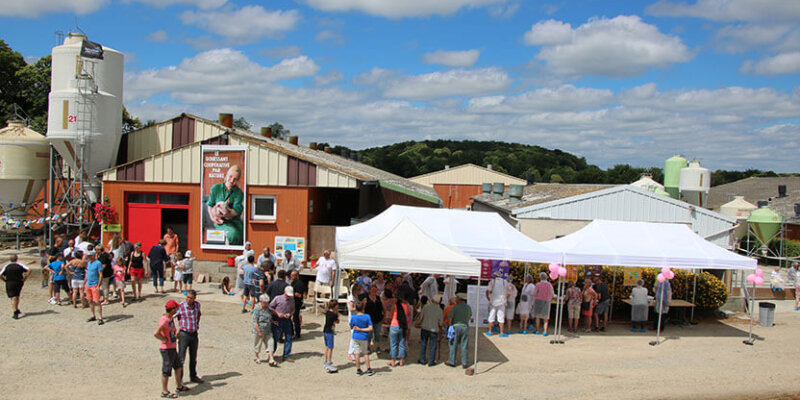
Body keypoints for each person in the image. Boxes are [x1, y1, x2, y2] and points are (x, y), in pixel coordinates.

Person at [154, 299, 189, 398]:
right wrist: (163, 339)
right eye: (176, 308)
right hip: (167, 349)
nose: (177, 309)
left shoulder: (170, 318)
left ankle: (179, 385)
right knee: (166, 370)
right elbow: (156, 332)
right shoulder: (164, 319)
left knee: (178, 366)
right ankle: (165, 391)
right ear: (172, 309)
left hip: (172, 347)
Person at [206, 165, 244, 245]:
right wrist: (213, 217)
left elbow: (236, 211)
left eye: (235, 179)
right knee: (232, 234)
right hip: (220, 222)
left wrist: (224, 212)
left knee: (241, 233)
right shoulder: (215, 188)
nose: (231, 180)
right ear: (226, 175)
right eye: (230, 177)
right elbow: (210, 205)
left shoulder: (239, 193)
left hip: (234, 221)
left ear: (238, 180)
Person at [175, 290, 204, 384]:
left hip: (194, 334)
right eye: (187, 297)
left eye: (191, 298)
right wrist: (175, 330)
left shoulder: (197, 305)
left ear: (194, 298)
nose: (188, 299)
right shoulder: (181, 306)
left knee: (193, 357)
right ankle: (180, 379)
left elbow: (198, 315)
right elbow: (171, 316)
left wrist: (197, 325)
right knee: (181, 358)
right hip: (184, 334)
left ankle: (193, 376)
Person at [445, 294, 472, 369]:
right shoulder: (468, 307)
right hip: (465, 327)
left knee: (453, 344)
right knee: (464, 345)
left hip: (456, 326)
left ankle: (452, 361)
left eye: (456, 298)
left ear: (459, 299)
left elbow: (450, 319)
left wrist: (450, 327)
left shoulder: (455, 307)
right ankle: (464, 362)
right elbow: (470, 317)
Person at [269, 286, 296, 362]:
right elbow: (270, 307)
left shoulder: (292, 300)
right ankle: (271, 354)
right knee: (275, 337)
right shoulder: (278, 298)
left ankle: (286, 355)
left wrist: (290, 314)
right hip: (277, 319)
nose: (289, 297)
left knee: (289, 337)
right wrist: (277, 313)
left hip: (286, 319)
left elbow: (293, 309)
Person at [1, 254, 32, 319]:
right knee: (16, 296)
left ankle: (15, 312)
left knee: (13, 297)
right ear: (16, 259)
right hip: (18, 282)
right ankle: (16, 308)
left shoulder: (7, 266)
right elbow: (29, 270)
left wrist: (4, 280)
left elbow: (0, 274)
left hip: (9, 282)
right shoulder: (20, 265)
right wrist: (25, 278)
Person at [349, 301, 375, 376]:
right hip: (363, 337)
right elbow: (370, 328)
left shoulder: (354, 317)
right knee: (365, 353)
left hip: (355, 336)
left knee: (357, 353)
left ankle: (358, 369)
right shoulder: (367, 316)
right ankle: (368, 369)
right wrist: (362, 329)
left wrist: (358, 328)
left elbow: (351, 326)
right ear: (363, 308)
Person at [418, 295, 443, 366]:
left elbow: (421, 317)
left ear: (432, 300)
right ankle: (431, 361)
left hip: (425, 328)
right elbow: (440, 322)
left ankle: (422, 359)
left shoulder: (426, 307)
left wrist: (419, 323)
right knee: (433, 345)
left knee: (423, 344)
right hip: (434, 329)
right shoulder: (440, 310)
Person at [252, 294, 277, 366]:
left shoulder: (267, 308)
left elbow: (269, 316)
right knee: (258, 344)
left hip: (268, 329)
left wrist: (272, 321)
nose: (266, 304)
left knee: (270, 342)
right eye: (265, 302)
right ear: (261, 301)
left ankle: (271, 358)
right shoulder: (257, 308)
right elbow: (255, 321)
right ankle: (256, 356)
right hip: (259, 329)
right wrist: (259, 331)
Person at [84, 248, 105, 325]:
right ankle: (93, 315)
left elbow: (101, 274)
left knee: (97, 301)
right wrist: (85, 282)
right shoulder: (89, 263)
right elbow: (87, 272)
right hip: (88, 284)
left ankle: (100, 317)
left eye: (89, 256)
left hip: (95, 284)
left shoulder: (98, 263)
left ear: (93, 256)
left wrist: (98, 285)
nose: (88, 257)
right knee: (90, 300)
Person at [362, 284, 384, 353]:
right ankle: (368, 347)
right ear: (369, 290)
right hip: (369, 320)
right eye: (373, 290)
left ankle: (377, 347)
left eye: (375, 290)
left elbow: (383, 308)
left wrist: (384, 316)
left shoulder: (379, 298)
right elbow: (363, 309)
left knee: (377, 334)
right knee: (369, 335)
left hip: (378, 319)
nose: (374, 291)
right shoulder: (366, 299)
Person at [388, 297, 410, 367]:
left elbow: (391, 315)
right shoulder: (405, 306)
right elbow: (406, 315)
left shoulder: (394, 306)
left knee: (393, 344)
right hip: (402, 325)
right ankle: (401, 361)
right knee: (401, 343)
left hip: (394, 325)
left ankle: (393, 361)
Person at [485, 271, 508, 337]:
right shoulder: (505, 282)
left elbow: (487, 290)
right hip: (502, 301)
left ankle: (489, 331)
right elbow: (508, 290)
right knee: (501, 317)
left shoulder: (492, 281)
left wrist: (488, 298)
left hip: (493, 301)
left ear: (495, 275)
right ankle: (501, 332)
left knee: (491, 316)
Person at [531, 272, 553, 336]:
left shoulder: (538, 284)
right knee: (545, 317)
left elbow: (534, 293)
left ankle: (537, 330)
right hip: (546, 301)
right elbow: (552, 293)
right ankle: (545, 331)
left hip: (538, 301)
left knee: (537, 316)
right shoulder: (549, 285)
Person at [322, 299, 339, 373]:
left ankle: (326, 361)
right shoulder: (334, 314)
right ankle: (329, 363)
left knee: (327, 347)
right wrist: (337, 313)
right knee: (330, 348)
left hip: (325, 330)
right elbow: (337, 321)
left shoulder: (327, 312)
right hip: (329, 332)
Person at [289, 270, 306, 338]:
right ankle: (292, 332)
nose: (291, 277)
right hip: (292, 303)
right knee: (291, 318)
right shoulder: (293, 282)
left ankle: (297, 333)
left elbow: (299, 295)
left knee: (296, 318)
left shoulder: (299, 283)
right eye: (291, 275)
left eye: (293, 275)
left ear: (296, 275)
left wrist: (292, 294)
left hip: (297, 303)